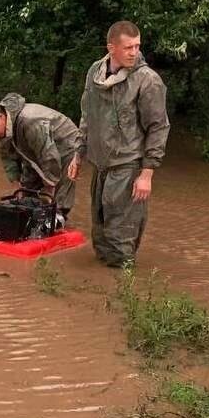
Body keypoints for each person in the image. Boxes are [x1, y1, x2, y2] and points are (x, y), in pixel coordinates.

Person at [67, 20, 170, 267]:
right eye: (128, 48)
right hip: (101, 165)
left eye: (137, 46)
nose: (134, 52)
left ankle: (124, 292)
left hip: (128, 165)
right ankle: (97, 295)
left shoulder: (147, 81)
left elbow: (158, 127)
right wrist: (78, 154)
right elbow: (87, 116)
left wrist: (146, 175)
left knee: (121, 238)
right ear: (111, 48)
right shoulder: (95, 72)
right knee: (100, 234)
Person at [0, 93, 80, 218]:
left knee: (58, 193)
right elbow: (7, 158)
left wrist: (49, 188)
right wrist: (16, 183)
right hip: (35, 146)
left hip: (65, 143)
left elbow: (49, 157)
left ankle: (59, 217)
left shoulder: (30, 122)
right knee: (26, 192)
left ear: (1, 117)